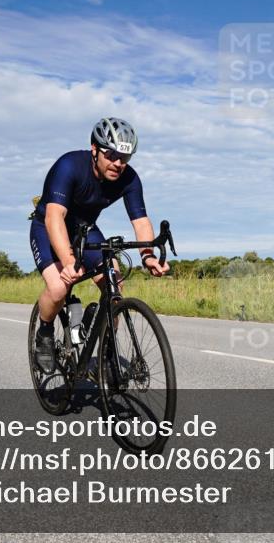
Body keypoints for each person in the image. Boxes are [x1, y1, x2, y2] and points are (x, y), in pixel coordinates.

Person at [29, 117, 169, 371]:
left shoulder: (130, 179)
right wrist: (69, 261)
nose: (118, 163)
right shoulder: (69, 165)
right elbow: (54, 217)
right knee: (60, 288)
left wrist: (147, 256)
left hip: (85, 230)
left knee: (115, 283)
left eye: (124, 158)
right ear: (94, 149)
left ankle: (105, 352)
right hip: (47, 227)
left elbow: (141, 221)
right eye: (111, 154)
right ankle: (45, 333)